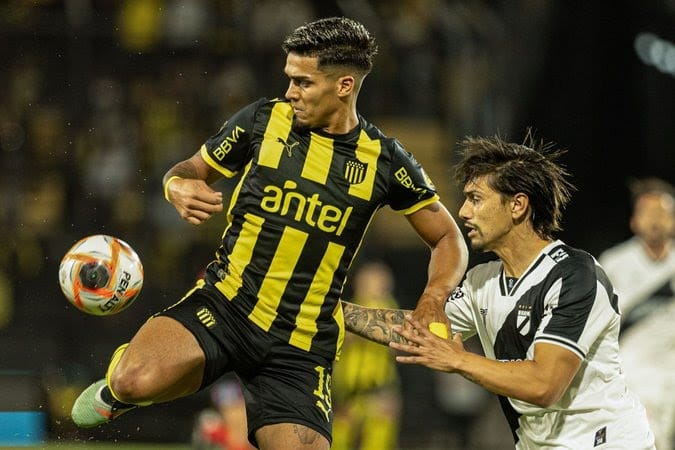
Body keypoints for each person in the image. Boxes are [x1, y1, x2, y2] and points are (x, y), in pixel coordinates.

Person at [70, 16, 468, 450]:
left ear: (344, 85)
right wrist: (177, 185)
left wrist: (433, 299)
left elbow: (448, 238)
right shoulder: (262, 120)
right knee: (132, 380)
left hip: (300, 345)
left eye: (303, 82)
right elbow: (189, 169)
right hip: (226, 306)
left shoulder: (385, 160)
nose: (290, 92)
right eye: (289, 79)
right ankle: (119, 393)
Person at [342, 134, 656, 449]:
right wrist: (334, 309)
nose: (463, 211)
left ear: (518, 205)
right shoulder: (481, 281)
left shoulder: (575, 275)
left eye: (475, 199)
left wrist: (459, 360)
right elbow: (421, 330)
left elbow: (544, 384)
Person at [598, 177, 675, 450]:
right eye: (648, 212)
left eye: (662, 213)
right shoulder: (613, 263)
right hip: (632, 373)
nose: (655, 220)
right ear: (634, 220)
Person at [331, 261, 402, 450]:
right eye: (365, 282)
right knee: (338, 439)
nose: (367, 286)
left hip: (376, 390)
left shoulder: (389, 312)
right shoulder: (347, 309)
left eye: (374, 282)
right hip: (346, 393)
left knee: (377, 440)